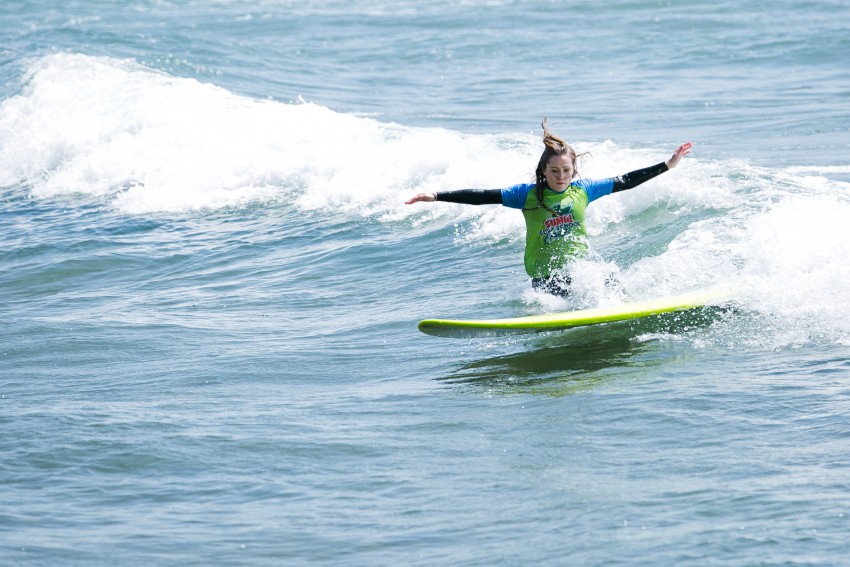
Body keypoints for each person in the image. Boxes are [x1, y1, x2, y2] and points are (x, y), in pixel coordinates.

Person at [405, 117, 693, 296]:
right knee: (569, 293)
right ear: (543, 171)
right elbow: (482, 195)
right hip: (545, 277)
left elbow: (625, 181)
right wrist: (436, 195)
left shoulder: (584, 190)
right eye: (554, 171)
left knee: (607, 281)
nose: (561, 176)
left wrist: (667, 165)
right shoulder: (527, 195)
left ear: (574, 170)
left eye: (566, 170)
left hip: (581, 269)